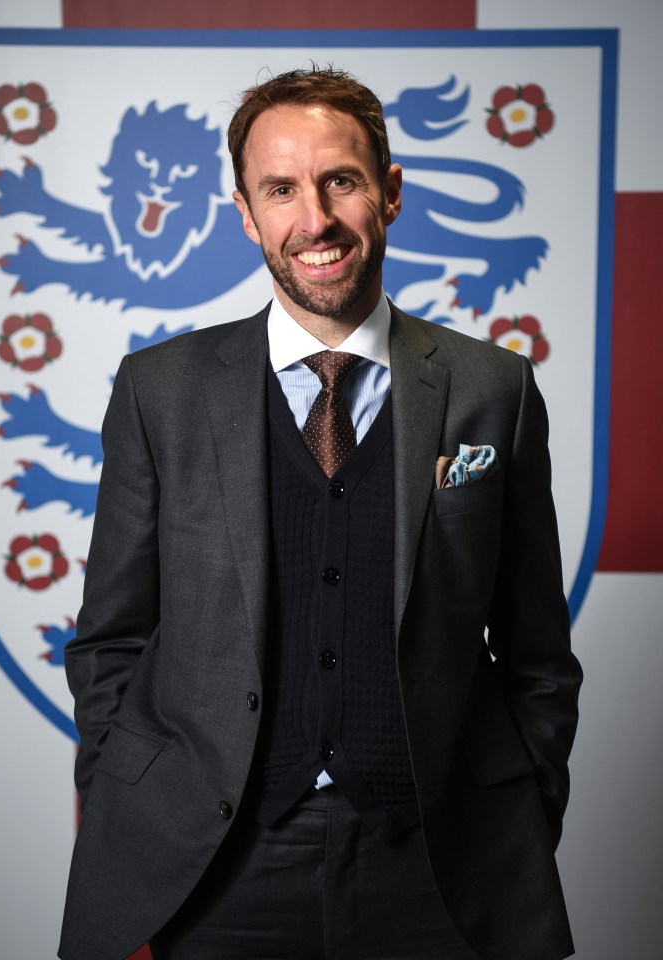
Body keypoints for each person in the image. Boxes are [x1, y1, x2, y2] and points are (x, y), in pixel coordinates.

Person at [59, 67, 582, 960]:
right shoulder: (161, 391)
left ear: (390, 192)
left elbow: (536, 649)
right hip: (220, 863)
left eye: (340, 180)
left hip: (441, 863)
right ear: (246, 213)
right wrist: (133, 796)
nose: (316, 219)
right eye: (281, 189)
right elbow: (111, 636)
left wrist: (523, 795)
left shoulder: (495, 389)